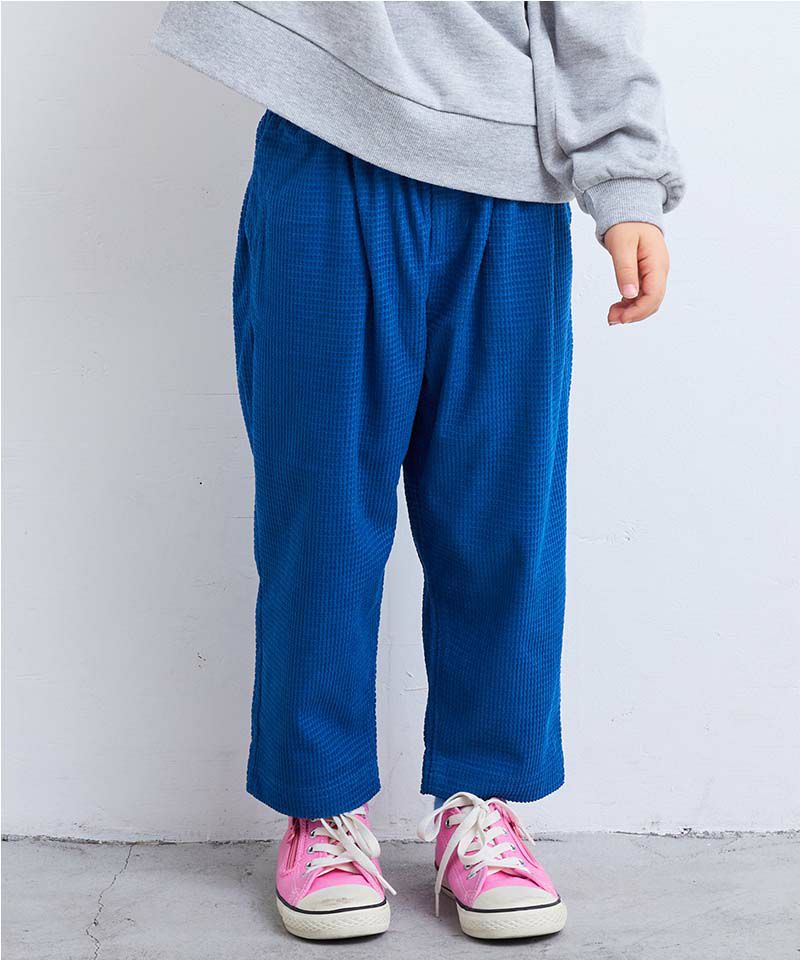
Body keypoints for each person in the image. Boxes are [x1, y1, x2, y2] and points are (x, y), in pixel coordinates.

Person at [154, 0, 683, 941]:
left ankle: (486, 801)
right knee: (321, 514)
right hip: (326, 142)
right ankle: (320, 806)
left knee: (504, 519)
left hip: (509, 180)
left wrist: (627, 177)